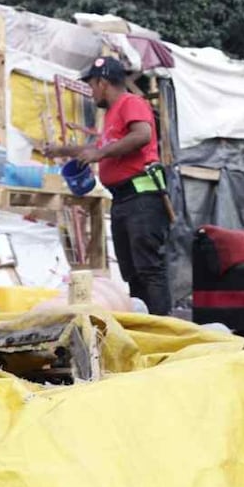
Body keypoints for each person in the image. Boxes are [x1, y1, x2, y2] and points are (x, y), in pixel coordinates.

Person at [45, 56, 171, 316]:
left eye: (91, 86)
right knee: (132, 272)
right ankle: (144, 326)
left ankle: (163, 327)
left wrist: (101, 155)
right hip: (124, 199)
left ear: (102, 82)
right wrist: (62, 149)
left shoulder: (130, 103)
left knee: (148, 269)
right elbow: (95, 148)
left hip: (142, 196)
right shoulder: (113, 115)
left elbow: (142, 135)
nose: (91, 93)